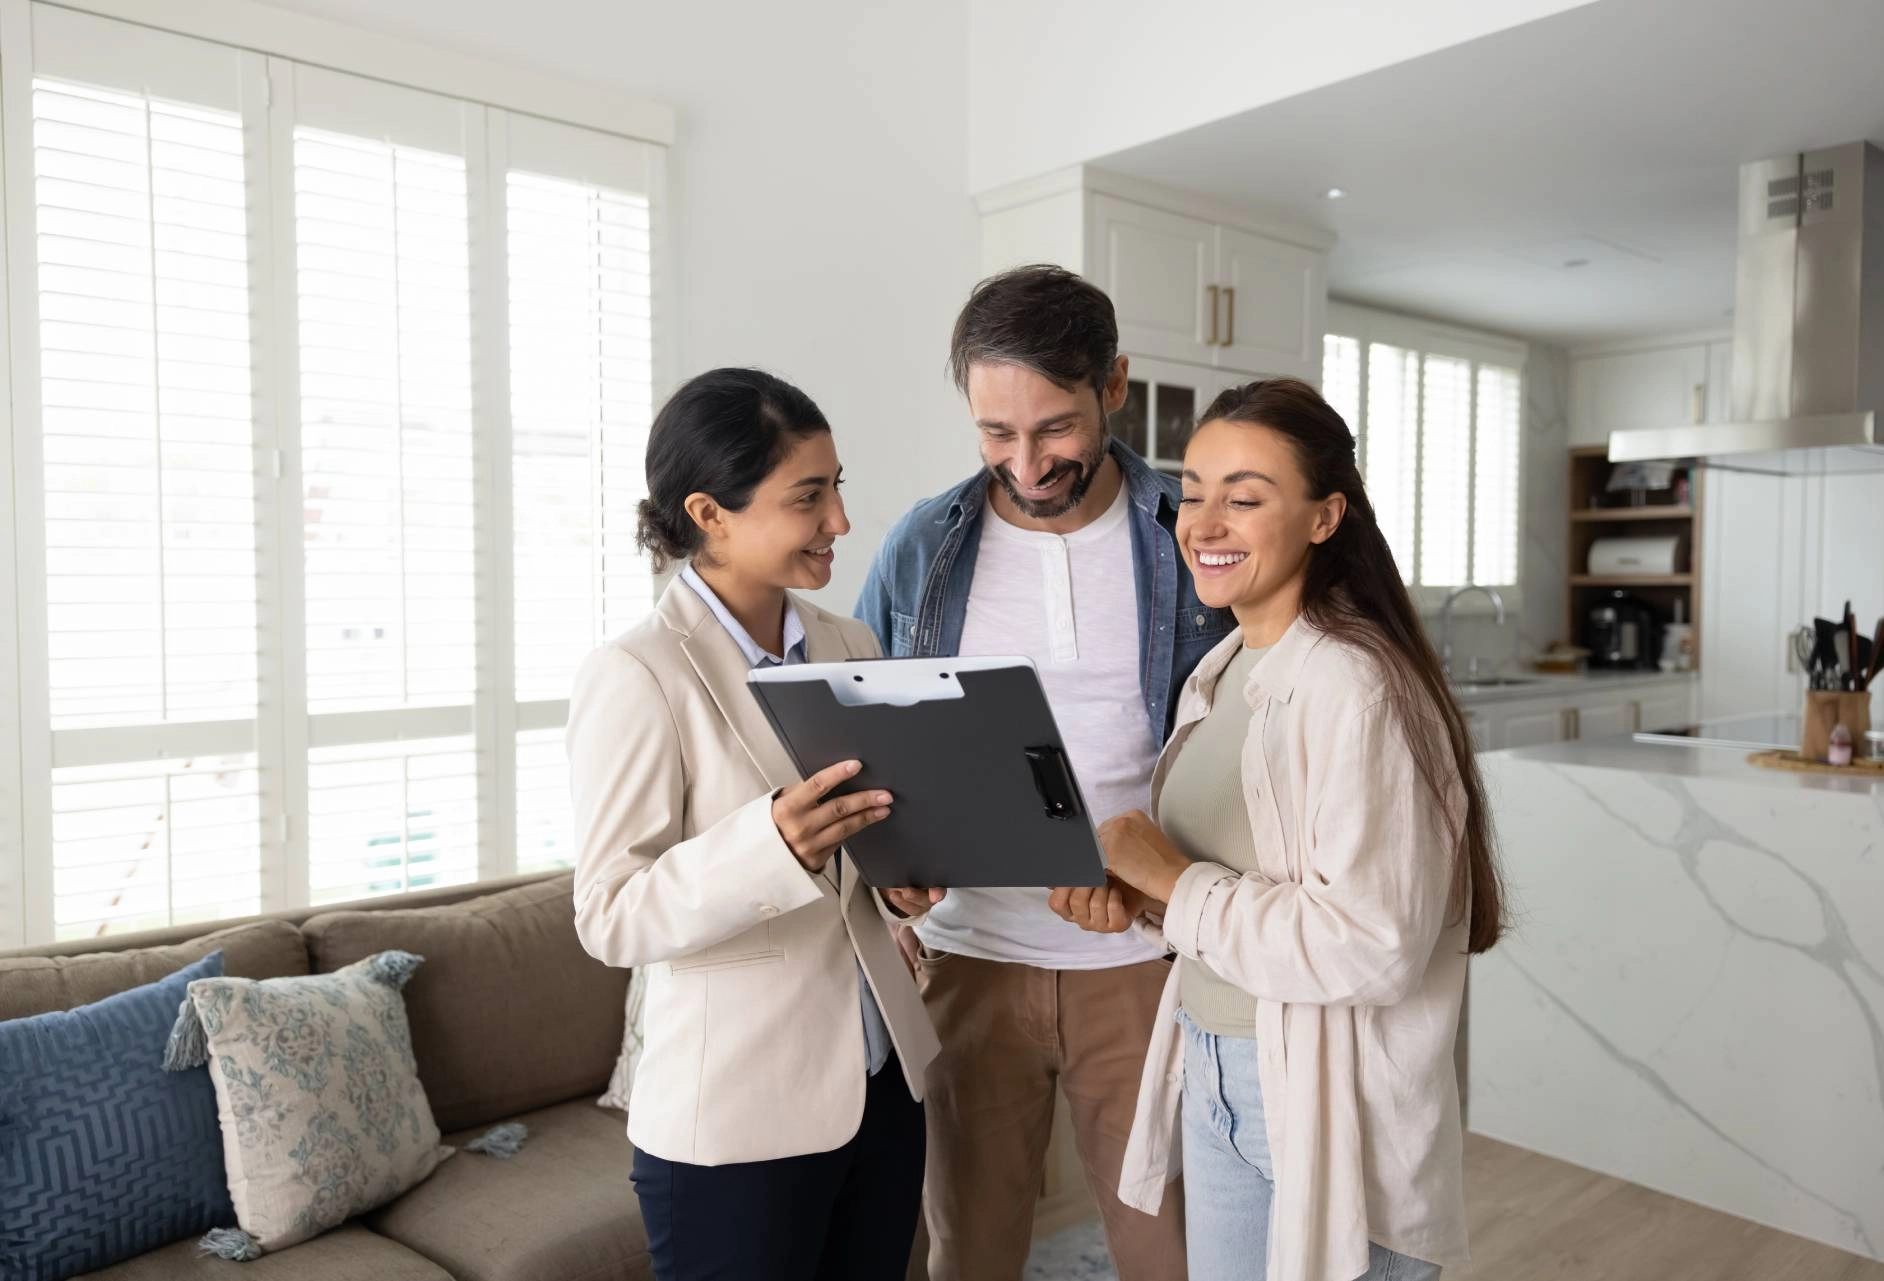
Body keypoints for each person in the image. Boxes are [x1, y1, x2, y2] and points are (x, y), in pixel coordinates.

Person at [1052, 377, 1507, 1281]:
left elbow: (1370, 947)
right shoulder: (1220, 672)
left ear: (1325, 516)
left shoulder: (1357, 685)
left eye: (1245, 498)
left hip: (1322, 1097)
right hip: (1218, 1065)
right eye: (1194, 491)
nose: (1204, 522)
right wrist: (1143, 902)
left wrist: (1175, 884)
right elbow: (1238, 877)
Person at [856, 265, 1224, 1280]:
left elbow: (1255, 744)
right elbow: (874, 742)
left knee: (1174, 1255)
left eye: (1054, 427)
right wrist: (890, 871)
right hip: (969, 964)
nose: (1025, 462)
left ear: (1114, 385)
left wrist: (1159, 888)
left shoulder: (1189, 533)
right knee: (968, 1255)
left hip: (1146, 966)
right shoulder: (925, 544)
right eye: (994, 433)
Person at [569, 367, 942, 1281]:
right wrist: (770, 843)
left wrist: (899, 883)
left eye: (837, 487)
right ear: (709, 512)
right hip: (735, 1119)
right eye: (808, 497)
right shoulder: (638, 673)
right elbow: (610, 912)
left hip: (882, 1084)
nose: (841, 522)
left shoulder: (850, 644)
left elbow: (864, 851)